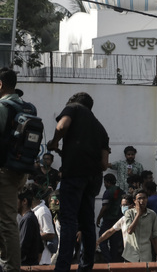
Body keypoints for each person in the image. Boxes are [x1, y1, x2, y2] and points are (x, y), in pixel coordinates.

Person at [47, 92, 110, 272]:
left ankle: (62, 267)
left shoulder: (73, 108)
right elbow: (104, 164)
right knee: (87, 224)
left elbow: (61, 126)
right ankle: (85, 267)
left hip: (74, 174)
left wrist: (54, 142)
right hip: (93, 180)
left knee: (68, 222)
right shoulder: (101, 128)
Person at [0, 67, 29, 272]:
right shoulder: (25, 107)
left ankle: (11, 267)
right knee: (5, 218)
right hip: (19, 170)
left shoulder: (3, 106)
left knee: (7, 221)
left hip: (4, 170)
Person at [122, 189, 157, 262]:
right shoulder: (129, 213)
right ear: (134, 201)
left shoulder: (152, 214)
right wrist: (138, 214)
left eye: (144, 198)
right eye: (139, 198)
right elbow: (129, 230)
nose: (142, 201)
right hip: (131, 255)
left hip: (146, 254)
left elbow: (155, 234)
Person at [96, 173, 123, 263]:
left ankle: (108, 260)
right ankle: (114, 262)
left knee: (102, 240)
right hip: (118, 219)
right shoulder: (120, 191)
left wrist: (98, 218)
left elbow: (105, 207)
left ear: (107, 182)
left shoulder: (108, 192)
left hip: (108, 219)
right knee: (114, 242)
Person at [30, 184, 56, 265]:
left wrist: (30, 237)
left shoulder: (42, 211)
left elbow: (50, 233)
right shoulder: (34, 210)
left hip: (43, 260)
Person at [17, 188, 43, 266]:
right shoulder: (29, 218)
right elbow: (40, 247)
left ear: (24, 201)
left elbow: (22, 248)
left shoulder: (28, 219)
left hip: (26, 266)